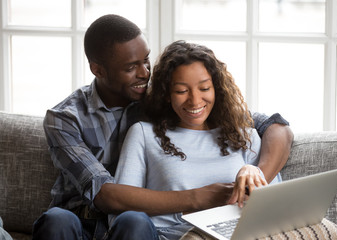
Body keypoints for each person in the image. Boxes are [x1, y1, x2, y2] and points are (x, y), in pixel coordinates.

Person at [32, 14, 292, 240]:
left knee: (133, 221)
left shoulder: (162, 98)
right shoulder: (65, 119)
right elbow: (104, 195)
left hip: (134, 226)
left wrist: (256, 179)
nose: (145, 73)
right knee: (57, 219)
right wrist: (200, 197)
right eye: (131, 67)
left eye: (146, 61)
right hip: (81, 222)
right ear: (98, 69)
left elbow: (273, 126)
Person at [110, 40, 283, 239]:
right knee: (132, 221)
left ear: (216, 88)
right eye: (182, 91)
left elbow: (275, 212)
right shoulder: (144, 134)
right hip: (164, 235)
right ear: (167, 94)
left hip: (227, 234)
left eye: (204, 88)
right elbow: (121, 214)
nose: (194, 100)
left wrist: (254, 169)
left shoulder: (246, 137)